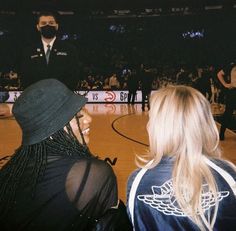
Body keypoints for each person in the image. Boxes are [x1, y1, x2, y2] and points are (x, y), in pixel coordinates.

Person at [0, 79, 132, 230]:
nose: (89, 119)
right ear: (50, 132)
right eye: (78, 116)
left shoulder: (9, 173)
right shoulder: (91, 174)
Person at [127, 85, 236, 231]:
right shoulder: (228, 175)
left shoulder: (138, 180)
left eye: (150, 119)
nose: (147, 125)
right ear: (205, 124)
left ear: (160, 128)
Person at [18, 11, 80, 90]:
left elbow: (73, 77)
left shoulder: (69, 49)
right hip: (37, 98)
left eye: (51, 23)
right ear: (38, 27)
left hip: (62, 98)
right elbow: (25, 78)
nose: (47, 25)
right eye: (43, 23)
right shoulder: (28, 51)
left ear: (57, 26)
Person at [217, 60, 236, 140]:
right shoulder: (232, 65)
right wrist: (225, 85)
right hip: (233, 92)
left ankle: (221, 134)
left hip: (232, 91)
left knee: (228, 113)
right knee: (228, 113)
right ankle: (221, 134)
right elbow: (219, 74)